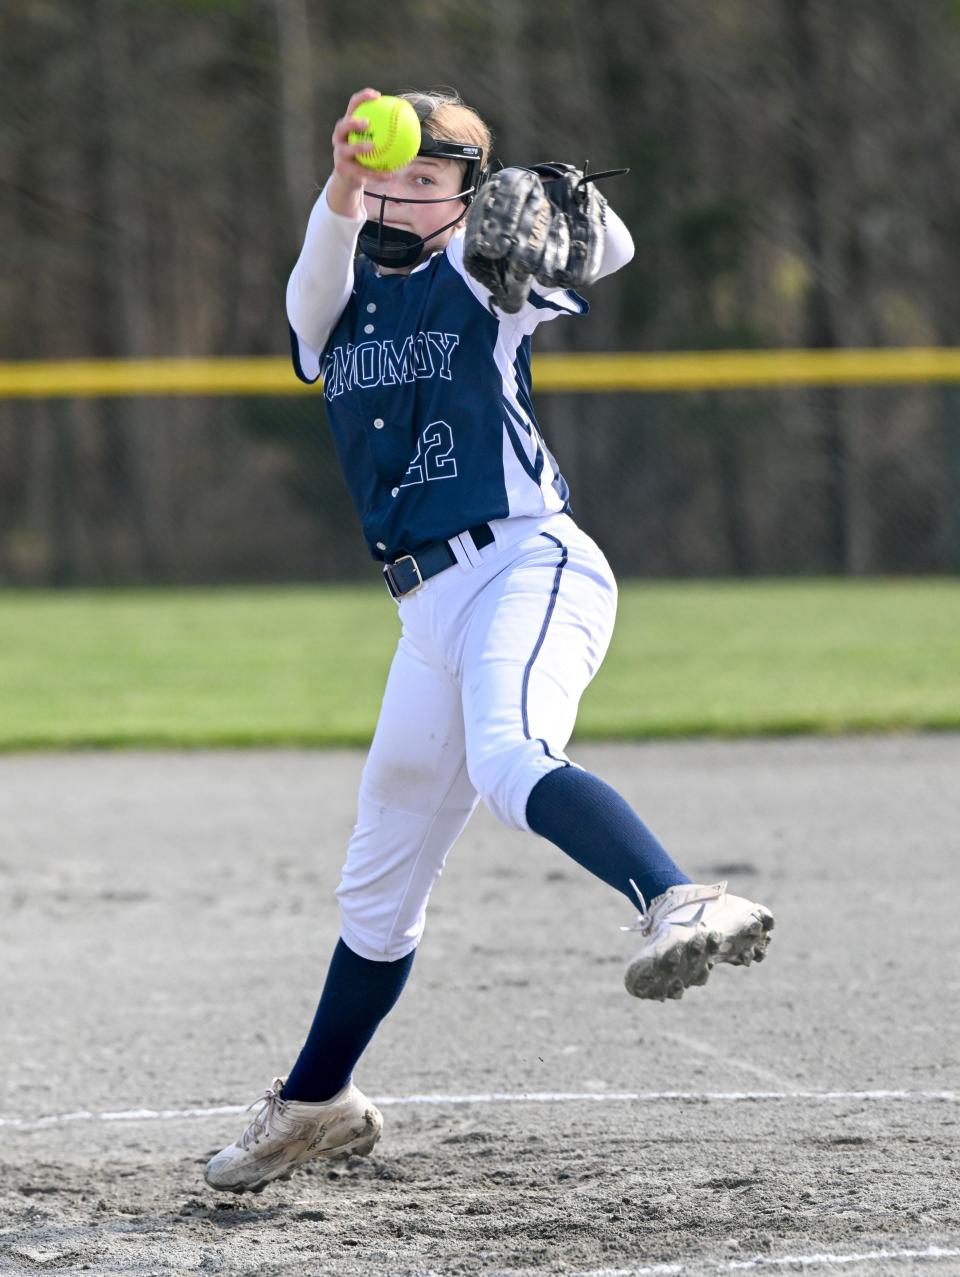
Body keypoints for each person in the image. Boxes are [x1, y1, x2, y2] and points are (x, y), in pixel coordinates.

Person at [204, 87, 774, 1195]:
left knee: (513, 756)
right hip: (426, 613)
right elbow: (315, 269)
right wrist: (343, 174)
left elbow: (609, 247)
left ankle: (678, 897)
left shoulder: (482, 276)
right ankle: (317, 1100)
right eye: (392, 179)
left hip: (526, 564)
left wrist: (559, 204)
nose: (404, 197)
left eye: (431, 181)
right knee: (377, 887)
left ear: (464, 198)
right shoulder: (334, 302)